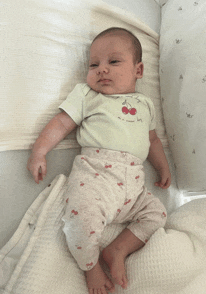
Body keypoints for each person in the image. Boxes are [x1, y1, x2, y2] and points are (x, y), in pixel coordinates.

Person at [27, 27, 171, 294]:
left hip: (134, 188)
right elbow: (61, 123)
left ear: (138, 71)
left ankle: (118, 248)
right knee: (79, 223)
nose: (102, 69)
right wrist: (39, 151)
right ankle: (90, 266)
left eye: (113, 62)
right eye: (94, 64)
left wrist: (163, 166)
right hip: (95, 178)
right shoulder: (87, 95)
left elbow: (151, 141)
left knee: (158, 214)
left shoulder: (145, 104)